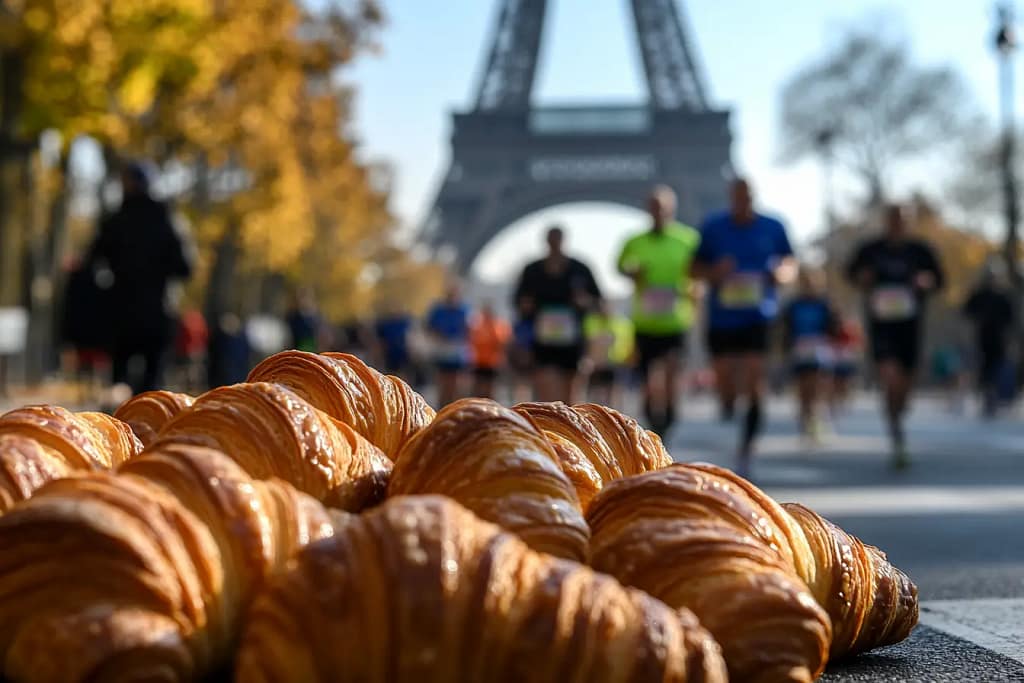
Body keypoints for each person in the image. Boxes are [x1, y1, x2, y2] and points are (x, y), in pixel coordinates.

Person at [691, 178, 796, 478]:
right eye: (738, 197)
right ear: (730, 197)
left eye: (747, 197)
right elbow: (693, 269)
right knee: (725, 382)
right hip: (722, 319)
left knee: (754, 379)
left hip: (758, 317)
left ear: (754, 197)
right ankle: (726, 401)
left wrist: (782, 273)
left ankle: (747, 449)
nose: (743, 202)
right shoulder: (713, 226)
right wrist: (714, 272)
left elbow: (790, 262)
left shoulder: (773, 226)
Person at [846, 203, 944, 468]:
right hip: (881, 326)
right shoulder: (871, 250)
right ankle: (896, 434)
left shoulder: (920, 251)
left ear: (908, 222)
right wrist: (862, 278)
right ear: (886, 221)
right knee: (890, 378)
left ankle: (898, 409)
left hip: (910, 326)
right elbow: (850, 274)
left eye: (902, 219)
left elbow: (939, 279)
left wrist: (926, 281)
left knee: (905, 384)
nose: (897, 224)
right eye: (893, 219)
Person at [85, 161, 193, 395]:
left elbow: (92, 262)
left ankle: (117, 415)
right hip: (158, 311)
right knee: (153, 384)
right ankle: (149, 414)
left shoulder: (115, 220)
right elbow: (185, 268)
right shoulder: (168, 220)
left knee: (119, 380)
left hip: (121, 312)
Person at [616, 185, 701, 435]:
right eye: (654, 207)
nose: (658, 212)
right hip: (645, 322)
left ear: (672, 209)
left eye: (662, 207)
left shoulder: (689, 239)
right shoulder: (634, 242)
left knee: (672, 373)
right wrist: (631, 272)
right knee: (649, 379)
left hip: (676, 320)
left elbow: (701, 270)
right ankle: (653, 417)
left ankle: (670, 416)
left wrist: (696, 289)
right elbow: (619, 266)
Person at [514, 226, 602, 403]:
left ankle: (566, 420)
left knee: (572, 397)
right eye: (551, 240)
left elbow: (598, 302)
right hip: (543, 341)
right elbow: (518, 303)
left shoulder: (580, 269)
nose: (554, 244)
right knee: (547, 393)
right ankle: (549, 419)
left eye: (557, 240)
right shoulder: (532, 270)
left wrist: (584, 302)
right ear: (546, 242)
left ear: (563, 241)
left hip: (572, 341)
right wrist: (526, 307)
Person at [780, 266, 840, 443]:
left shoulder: (825, 304)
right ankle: (805, 423)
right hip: (799, 349)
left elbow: (834, 327)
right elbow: (785, 328)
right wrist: (785, 348)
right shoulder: (794, 305)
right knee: (803, 389)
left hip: (820, 349)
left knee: (819, 386)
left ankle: (819, 421)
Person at [963, 264, 1015, 417]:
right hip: (983, 336)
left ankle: (993, 394)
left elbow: (1009, 318)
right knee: (985, 366)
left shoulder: (1003, 297)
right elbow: (968, 310)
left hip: (998, 337)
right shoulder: (980, 295)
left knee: (996, 366)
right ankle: (987, 393)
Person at [425, 281, 471, 406]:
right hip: (442, 349)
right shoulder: (438, 310)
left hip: (458, 350)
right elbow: (429, 327)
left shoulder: (464, 310)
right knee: (443, 383)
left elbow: (469, 329)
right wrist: (438, 335)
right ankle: (443, 408)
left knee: (456, 384)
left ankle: (455, 408)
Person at [582, 300, 634, 409]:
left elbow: (627, 344)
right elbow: (588, 341)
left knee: (614, 391)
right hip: (596, 364)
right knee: (596, 391)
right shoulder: (591, 321)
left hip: (615, 363)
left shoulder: (621, 323)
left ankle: (614, 411)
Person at [469, 301, 511, 399]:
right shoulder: (477, 325)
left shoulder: (498, 325)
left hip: (492, 362)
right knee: (478, 388)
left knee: (490, 389)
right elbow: (472, 341)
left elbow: (502, 342)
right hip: (479, 361)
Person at [830, 316, 863, 416]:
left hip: (846, 362)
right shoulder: (832, 331)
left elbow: (856, 344)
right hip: (836, 362)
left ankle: (844, 400)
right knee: (835, 382)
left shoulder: (848, 331)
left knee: (845, 382)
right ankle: (835, 403)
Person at [285, 288, 325, 352]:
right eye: (301, 298)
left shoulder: (316, 315)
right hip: (297, 348)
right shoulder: (293, 316)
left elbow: (320, 333)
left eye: (305, 298)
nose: (303, 301)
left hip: (314, 348)